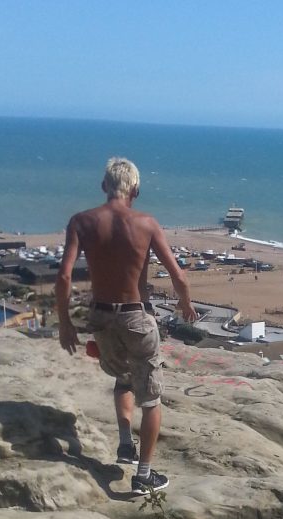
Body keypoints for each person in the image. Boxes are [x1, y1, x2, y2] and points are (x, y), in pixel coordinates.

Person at [56, 157, 197, 494]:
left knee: (123, 378)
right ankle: (143, 476)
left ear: (105, 186)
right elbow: (178, 276)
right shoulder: (146, 223)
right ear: (136, 188)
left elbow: (63, 276)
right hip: (136, 315)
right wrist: (186, 303)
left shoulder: (82, 221)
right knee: (151, 398)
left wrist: (65, 323)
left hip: (101, 317)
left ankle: (124, 445)